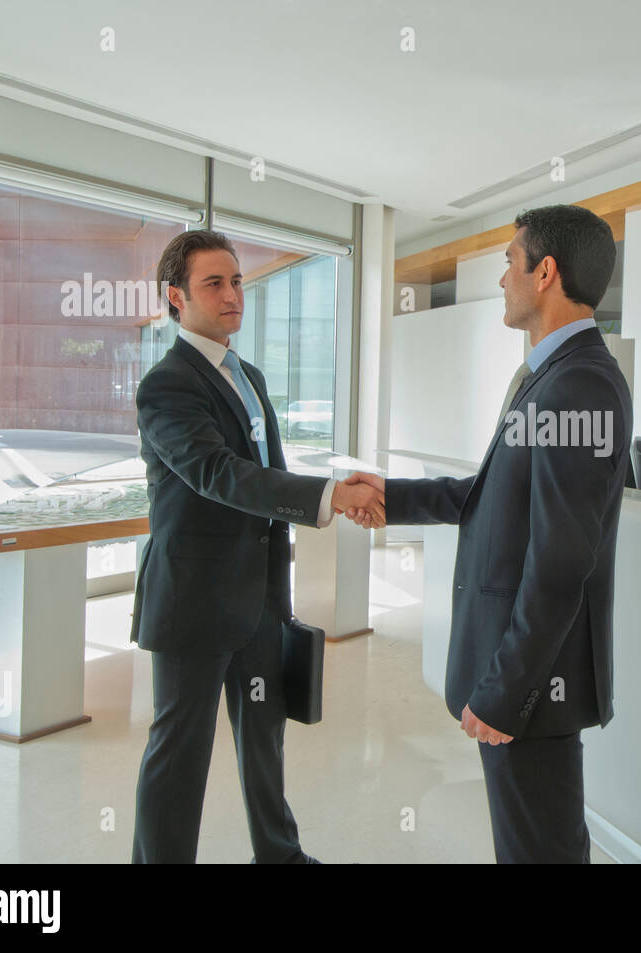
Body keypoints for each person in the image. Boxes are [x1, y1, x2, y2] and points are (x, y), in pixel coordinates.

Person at [341, 205, 631, 863]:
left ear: (545, 271)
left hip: (534, 685)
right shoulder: (551, 376)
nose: (502, 278)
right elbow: (494, 495)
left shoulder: (579, 385)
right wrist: (394, 498)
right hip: (529, 680)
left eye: (508, 261)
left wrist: (506, 690)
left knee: (540, 852)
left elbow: (561, 561)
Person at [130, 230, 384, 864]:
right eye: (213, 283)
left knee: (264, 738)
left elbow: (263, 466)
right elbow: (219, 473)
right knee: (180, 751)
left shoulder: (247, 373)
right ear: (175, 298)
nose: (231, 294)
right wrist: (328, 496)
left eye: (237, 281)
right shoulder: (166, 386)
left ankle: (280, 855)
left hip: (262, 595)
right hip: (194, 601)